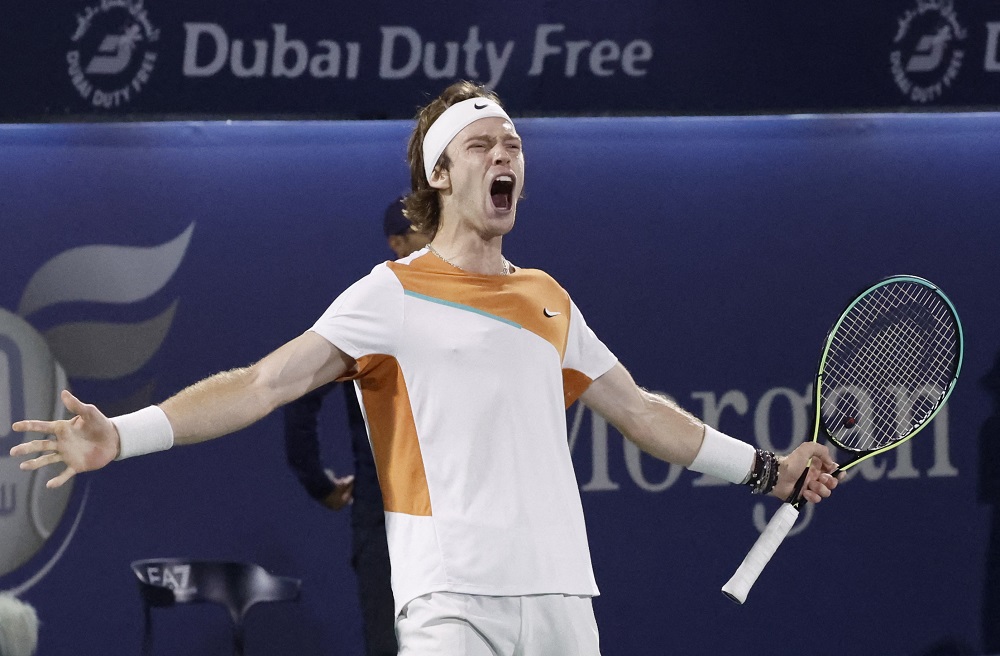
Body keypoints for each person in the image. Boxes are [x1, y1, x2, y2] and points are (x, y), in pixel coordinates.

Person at [9, 80, 841, 655]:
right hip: (451, 601)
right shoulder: (388, 295)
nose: (504, 154)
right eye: (481, 144)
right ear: (440, 175)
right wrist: (120, 434)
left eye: (512, 143)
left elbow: (644, 414)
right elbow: (263, 383)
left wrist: (767, 470)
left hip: (563, 599)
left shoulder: (548, 297)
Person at [284, 197, 429, 656]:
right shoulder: (369, 309)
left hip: (458, 519)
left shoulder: (462, 308)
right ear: (396, 242)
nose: (435, 241)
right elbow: (299, 395)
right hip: (385, 519)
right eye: (423, 232)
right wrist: (317, 480)